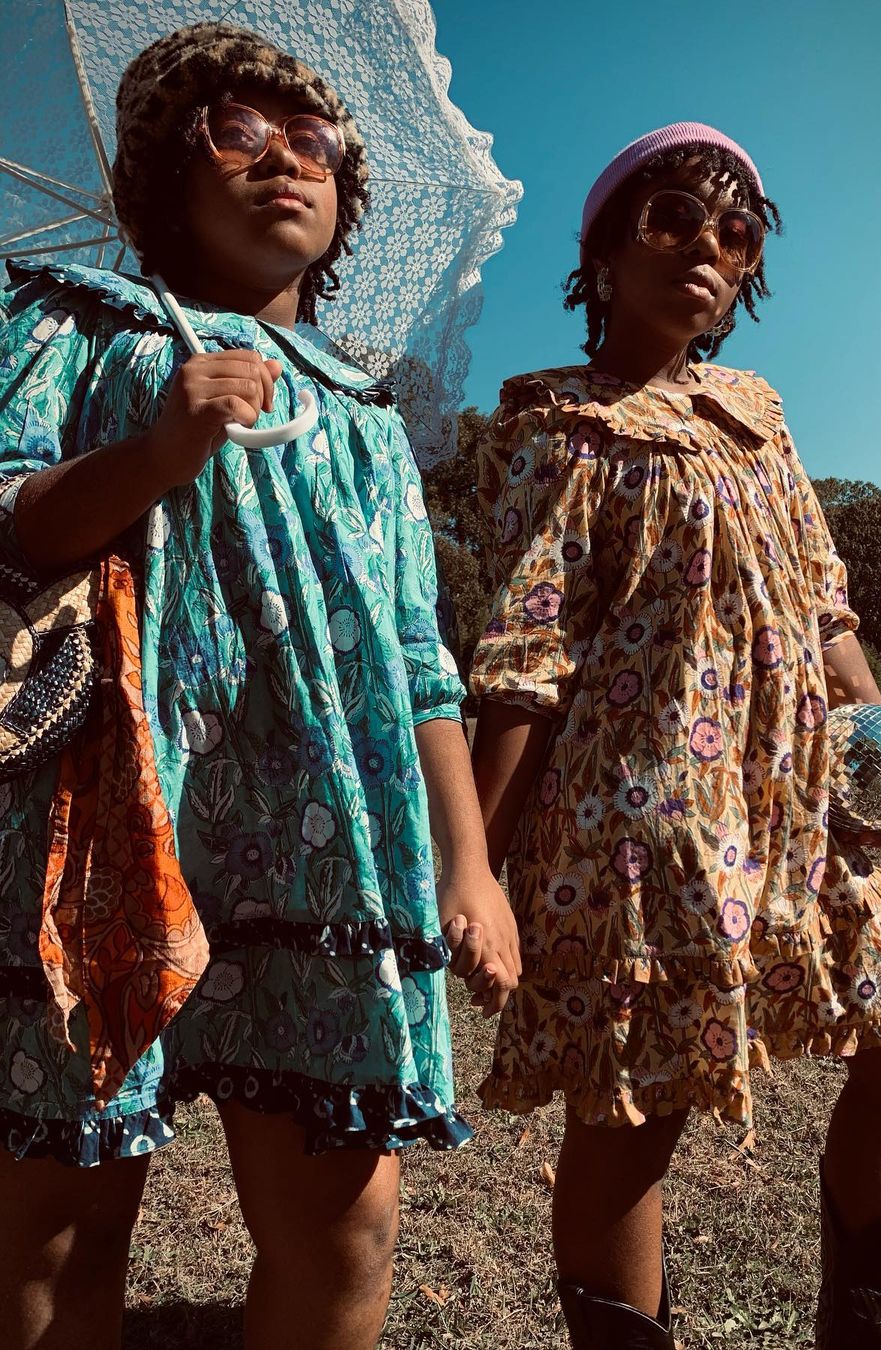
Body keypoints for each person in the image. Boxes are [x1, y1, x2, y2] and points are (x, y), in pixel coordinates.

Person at [0, 23, 518, 1350]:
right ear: (163, 176)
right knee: (58, 1222)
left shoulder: (370, 416)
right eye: (233, 133)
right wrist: (156, 449)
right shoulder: (70, 327)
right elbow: (13, 523)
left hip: (325, 846)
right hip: (110, 818)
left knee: (345, 1223)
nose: (282, 156)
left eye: (313, 141)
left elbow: (419, 656)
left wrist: (470, 864)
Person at [469, 122, 881, 1349]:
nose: (707, 244)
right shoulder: (555, 423)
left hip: (793, 808)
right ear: (602, 253)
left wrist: (877, 742)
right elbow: (524, 660)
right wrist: (475, 864)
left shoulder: (757, 412)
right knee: (635, 1120)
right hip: (643, 830)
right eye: (672, 218)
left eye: (736, 231)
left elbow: (823, 603)